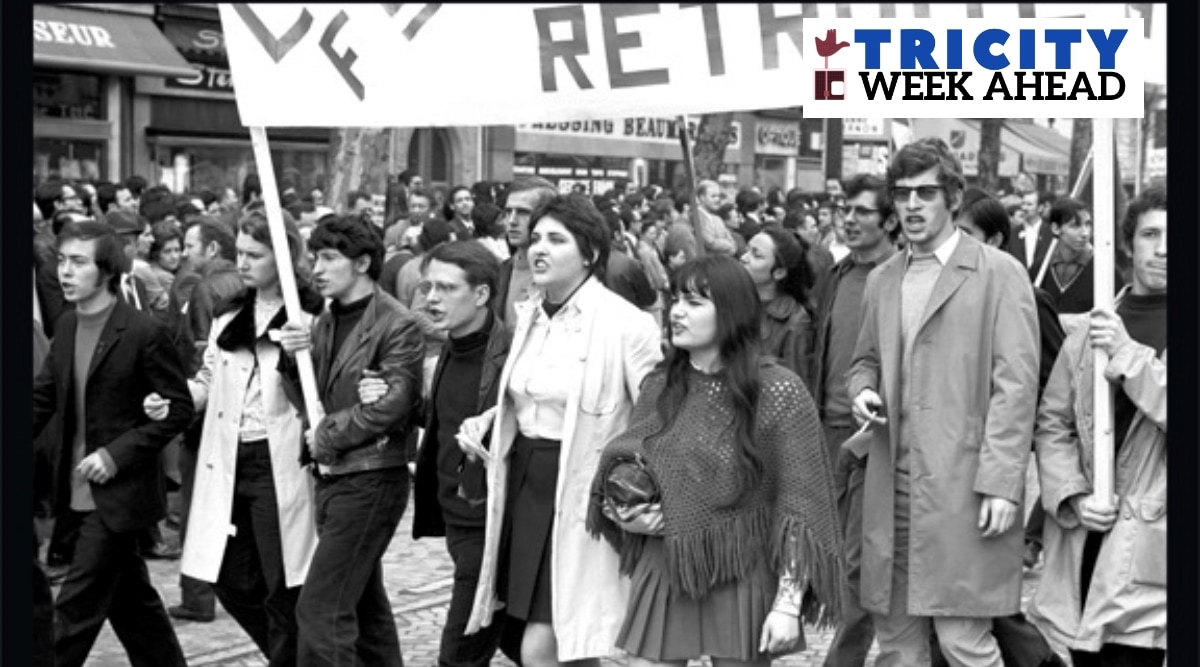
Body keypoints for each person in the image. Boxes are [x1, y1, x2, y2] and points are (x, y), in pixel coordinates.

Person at [587, 254, 843, 665]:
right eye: (676, 300)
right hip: (667, 562)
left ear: (731, 311)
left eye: (694, 302)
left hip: (741, 565)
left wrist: (788, 605)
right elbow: (626, 464)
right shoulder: (659, 385)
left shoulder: (778, 392)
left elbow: (799, 507)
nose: (677, 312)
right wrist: (624, 510)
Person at [847, 138, 1040, 667]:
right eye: (902, 193)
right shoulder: (883, 278)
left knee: (964, 641)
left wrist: (1002, 482)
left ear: (953, 197)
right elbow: (863, 361)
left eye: (925, 193)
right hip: (890, 486)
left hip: (964, 486)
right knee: (897, 645)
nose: (911, 205)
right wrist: (862, 390)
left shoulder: (999, 273)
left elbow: (1016, 386)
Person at [461, 194, 663, 667]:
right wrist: (489, 420)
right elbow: (526, 395)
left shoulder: (624, 324)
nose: (539, 249)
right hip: (522, 482)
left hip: (581, 489)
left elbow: (655, 416)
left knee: (545, 642)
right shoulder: (529, 314)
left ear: (589, 253)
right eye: (534, 239)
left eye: (556, 239)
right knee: (550, 639)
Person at [148, 211, 322, 661]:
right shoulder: (230, 316)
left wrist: (308, 349)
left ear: (282, 256)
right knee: (231, 579)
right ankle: (293, 657)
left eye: (255, 254)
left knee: (283, 581)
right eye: (240, 252)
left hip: (278, 462)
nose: (242, 263)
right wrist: (172, 399)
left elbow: (322, 389)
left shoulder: (311, 318)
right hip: (227, 460)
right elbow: (208, 380)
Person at [33, 221, 193, 667]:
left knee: (72, 613)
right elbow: (41, 400)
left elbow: (177, 409)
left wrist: (115, 454)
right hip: (74, 493)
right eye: (62, 261)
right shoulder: (65, 327)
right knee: (134, 608)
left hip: (118, 498)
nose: (65, 272)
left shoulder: (143, 331)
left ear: (105, 271)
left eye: (78, 262)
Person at [361, 240, 524, 667]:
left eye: (446, 288)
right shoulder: (450, 348)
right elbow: (445, 418)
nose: (430, 298)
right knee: (525, 644)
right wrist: (391, 398)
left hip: (492, 526)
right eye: (428, 286)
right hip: (456, 516)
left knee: (459, 655)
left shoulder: (514, 359)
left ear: (482, 294)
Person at [1027, 187, 1167, 667]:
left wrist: (1129, 356)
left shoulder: (1118, 339)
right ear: (1128, 243)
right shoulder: (1090, 330)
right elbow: (1052, 424)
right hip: (1085, 543)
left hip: (1154, 554)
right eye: (1151, 234)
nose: (1164, 248)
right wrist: (1072, 495)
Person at [278, 214, 425, 665]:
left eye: (328, 258)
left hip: (371, 477)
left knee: (322, 608)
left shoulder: (397, 323)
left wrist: (323, 436)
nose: (316, 269)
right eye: (314, 258)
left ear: (361, 263)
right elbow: (310, 399)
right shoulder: (323, 322)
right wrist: (291, 359)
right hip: (335, 477)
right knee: (365, 606)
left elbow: (390, 406)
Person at [812, 173, 899, 667]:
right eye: (845, 208)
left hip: (872, 438)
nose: (849, 218)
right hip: (825, 430)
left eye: (862, 210)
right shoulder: (838, 274)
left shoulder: (900, 276)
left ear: (889, 220)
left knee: (860, 563)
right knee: (826, 552)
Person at [740, 224, 815, 383]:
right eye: (747, 250)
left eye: (756, 255)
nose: (744, 257)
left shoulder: (795, 320)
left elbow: (796, 388)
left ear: (779, 272)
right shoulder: (733, 301)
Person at [494, 177, 559, 331]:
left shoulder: (566, 275)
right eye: (508, 212)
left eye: (523, 212)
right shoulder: (499, 271)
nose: (512, 220)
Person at [1008, 190, 1055, 279]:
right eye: (1023, 204)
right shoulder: (1012, 234)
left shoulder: (1051, 233)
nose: (1024, 208)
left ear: (1040, 208)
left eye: (1029, 204)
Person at [694, 180, 739, 256]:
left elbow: (733, 245)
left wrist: (728, 246)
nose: (717, 199)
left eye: (718, 196)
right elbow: (710, 243)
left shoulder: (717, 219)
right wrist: (728, 245)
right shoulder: (696, 217)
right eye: (713, 196)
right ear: (702, 198)